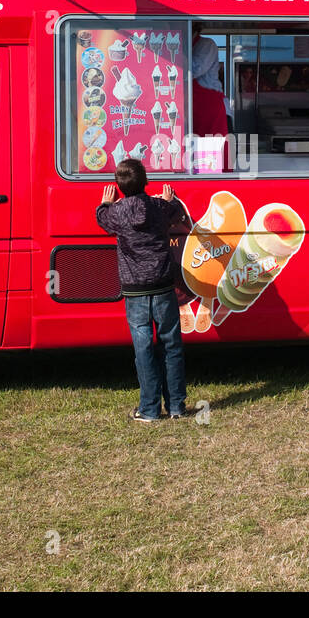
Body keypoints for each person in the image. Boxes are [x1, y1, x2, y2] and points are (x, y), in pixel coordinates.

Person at [95, 158, 190, 422]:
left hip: (135, 290)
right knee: (171, 344)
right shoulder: (159, 207)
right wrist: (170, 199)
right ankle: (176, 407)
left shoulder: (116, 212)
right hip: (162, 286)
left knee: (143, 347)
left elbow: (101, 218)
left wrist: (106, 202)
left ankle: (149, 410)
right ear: (146, 181)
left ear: (118, 187)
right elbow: (176, 212)